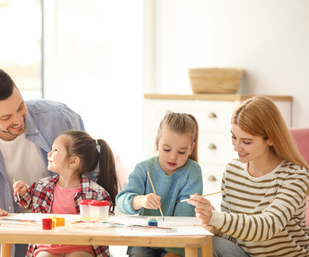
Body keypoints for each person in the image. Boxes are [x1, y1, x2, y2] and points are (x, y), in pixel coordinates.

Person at [0, 67, 89, 257]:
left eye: (20, 107)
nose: (18, 121)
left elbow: (93, 174)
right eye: (6, 117)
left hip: (68, 239)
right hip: (9, 247)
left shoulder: (60, 118)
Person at [188, 95, 309, 257]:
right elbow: (232, 236)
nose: (237, 147)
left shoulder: (296, 175)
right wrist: (211, 220)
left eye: (246, 142)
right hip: (244, 254)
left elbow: (267, 227)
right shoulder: (232, 170)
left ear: (271, 139)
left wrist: (217, 218)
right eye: (234, 137)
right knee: (209, 243)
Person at [13, 130, 118, 257]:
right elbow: (26, 202)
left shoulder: (96, 193)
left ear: (73, 161)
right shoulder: (42, 186)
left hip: (81, 245)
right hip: (47, 245)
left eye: (55, 150)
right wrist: (23, 191)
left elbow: (107, 223)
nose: (49, 154)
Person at [116, 112, 203, 257]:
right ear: (157, 143)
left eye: (181, 152)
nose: (173, 156)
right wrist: (141, 200)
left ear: (191, 148)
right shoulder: (143, 168)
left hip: (177, 242)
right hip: (143, 239)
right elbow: (121, 201)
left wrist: (174, 252)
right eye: (167, 149)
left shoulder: (192, 171)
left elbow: (186, 218)